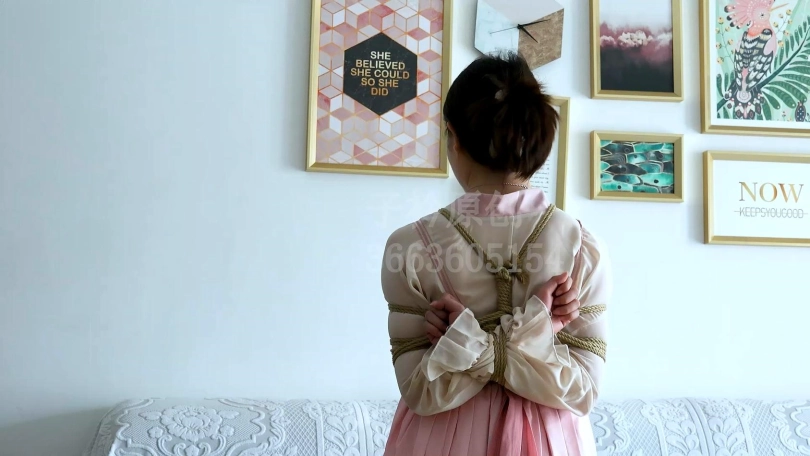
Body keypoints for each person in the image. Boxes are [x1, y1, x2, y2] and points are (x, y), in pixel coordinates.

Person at [380, 52, 612, 456]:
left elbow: (420, 390)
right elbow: (584, 389)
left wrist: (466, 342)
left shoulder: (409, 248)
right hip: (551, 441)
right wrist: (535, 329)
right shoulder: (582, 248)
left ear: (453, 136)